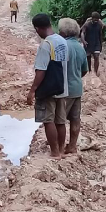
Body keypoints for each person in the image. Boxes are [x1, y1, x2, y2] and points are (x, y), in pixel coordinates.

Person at [26, 13, 69, 158]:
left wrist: (32, 91)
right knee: (60, 120)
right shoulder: (63, 41)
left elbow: (41, 71)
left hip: (48, 89)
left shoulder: (46, 45)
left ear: (38, 29)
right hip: (62, 87)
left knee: (48, 120)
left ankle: (55, 152)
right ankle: (61, 150)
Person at [58, 18, 88, 154]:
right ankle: (72, 146)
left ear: (64, 33)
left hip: (64, 89)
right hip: (77, 88)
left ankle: (59, 146)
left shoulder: (62, 46)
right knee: (75, 118)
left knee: (59, 120)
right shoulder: (80, 47)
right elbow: (84, 70)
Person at [80, 12, 106, 76]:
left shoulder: (99, 24)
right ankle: (89, 70)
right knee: (88, 58)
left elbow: (103, 29)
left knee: (96, 56)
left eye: (97, 19)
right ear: (92, 18)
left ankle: (96, 71)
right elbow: (82, 32)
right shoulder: (87, 24)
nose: (96, 21)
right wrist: (83, 41)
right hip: (88, 43)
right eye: (95, 19)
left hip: (97, 43)